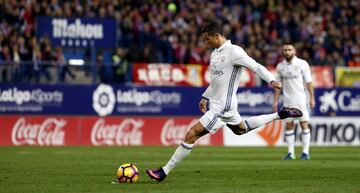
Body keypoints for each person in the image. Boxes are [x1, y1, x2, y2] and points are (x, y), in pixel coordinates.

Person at [146, 20, 303, 182]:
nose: (205, 42)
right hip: (221, 104)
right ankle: (279, 114)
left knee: (192, 134)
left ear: (217, 36)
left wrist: (271, 80)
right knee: (241, 129)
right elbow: (216, 81)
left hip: (222, 107)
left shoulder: (234, 51)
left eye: (207, 39)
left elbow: (255, 66)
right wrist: (205, 97)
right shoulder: (215, 53)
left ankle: (163, 172)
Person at [273, 42, 315, 160]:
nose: (287, 52)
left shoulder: (302, 64)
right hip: (287, 101)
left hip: (301, 100)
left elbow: (309, 82)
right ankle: (291, 153)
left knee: (304, 124)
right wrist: (275, 101)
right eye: (285, 50)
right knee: (289, 125)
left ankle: (305, 153)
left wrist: (312, 98)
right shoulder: (280, 66)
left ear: (294, 51)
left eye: (289, 50)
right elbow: (278, 86)